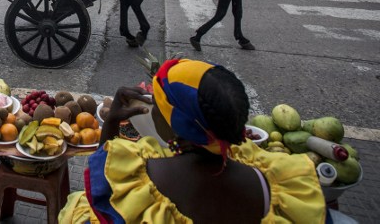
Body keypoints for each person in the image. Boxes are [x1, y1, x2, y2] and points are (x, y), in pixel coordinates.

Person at [59, 59, 327, 223]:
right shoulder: (273, 182)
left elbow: (102, 178)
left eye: (158, 107)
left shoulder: (148, 175)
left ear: (174, 126)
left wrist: (112, 123)